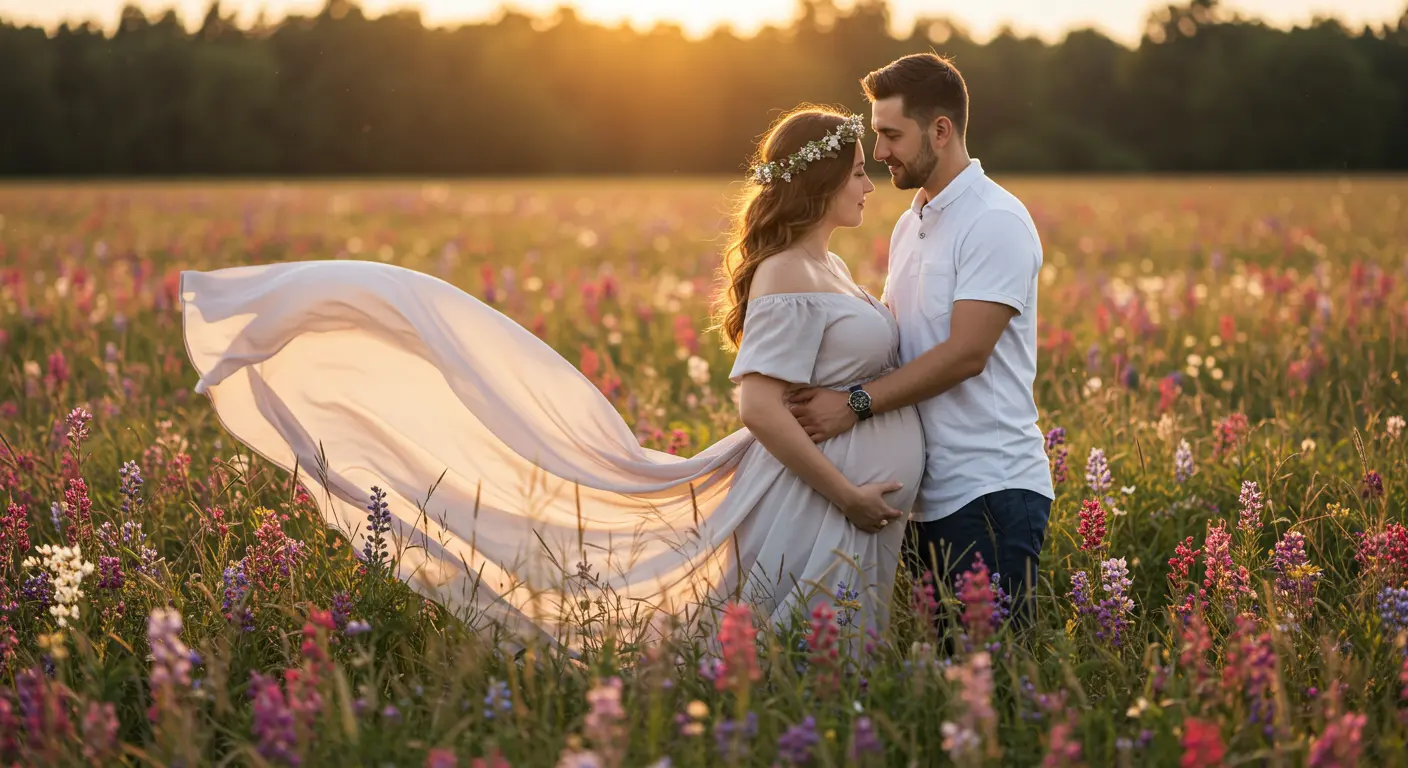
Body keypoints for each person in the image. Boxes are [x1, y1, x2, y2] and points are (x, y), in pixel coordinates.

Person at [178, 105, 923, 651]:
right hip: (820, 500)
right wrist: (848, 494)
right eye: (859, 172)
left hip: (841, 498)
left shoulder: (827, 264)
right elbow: (761, 408)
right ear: (822, 179)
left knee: (828, 657)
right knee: (808, 656)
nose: (870, 185)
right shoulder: (790, 272)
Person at [788, 54, 1055, 628]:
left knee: (994, 676)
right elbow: (899, 339)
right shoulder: (913, 222)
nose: (879, 152)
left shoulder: (995, 221)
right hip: (922, 497)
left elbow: (966, 353)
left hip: (990, 490)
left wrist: (853, 405)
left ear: (940, 130)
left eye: (891, 135)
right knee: (951, 666)